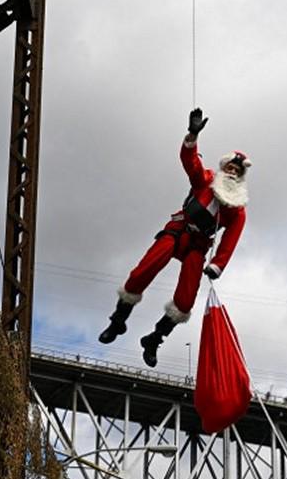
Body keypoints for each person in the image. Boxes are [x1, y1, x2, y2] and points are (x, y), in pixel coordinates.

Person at [98, 108, 250, 367]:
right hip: (178, 231)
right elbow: (190, 161)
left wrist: (218, 265)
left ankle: (154, 339)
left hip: (198, 246)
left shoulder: (237, 209)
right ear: (224, 167)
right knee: (144, 270)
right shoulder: (206, 181)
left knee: (185, 300)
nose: (233, 172)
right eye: (230, 167)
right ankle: (118, 321)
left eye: (238, 170)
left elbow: (231, 239)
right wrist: (192, 134)